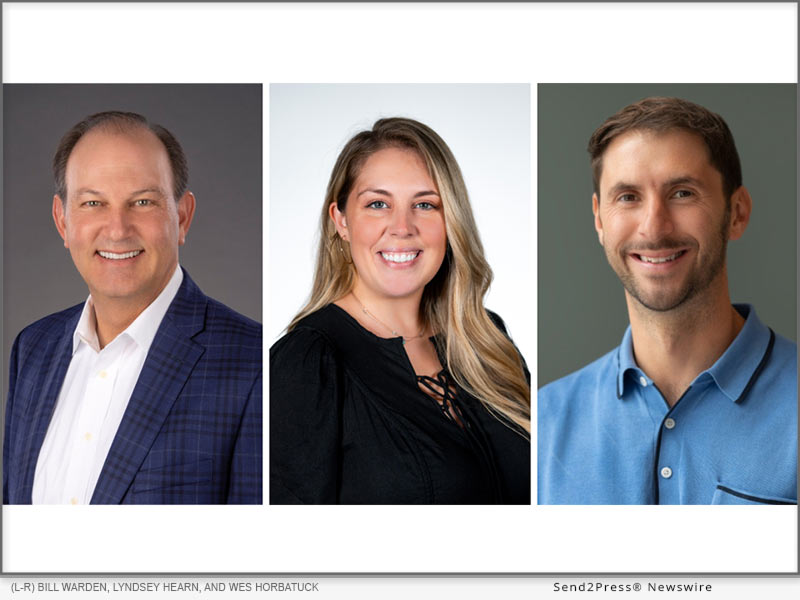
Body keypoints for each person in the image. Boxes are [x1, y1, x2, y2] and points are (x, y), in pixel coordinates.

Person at [538, 97, 797, 505]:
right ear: (599, 220)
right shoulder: (542, 425)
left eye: (682, 193)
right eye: (627, 197)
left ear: (737, 212)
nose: (654, 227)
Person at [3, 111, 262, 505]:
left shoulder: (254, 364)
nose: (118, 228)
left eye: (142, 202)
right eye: (93, 203)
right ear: (63, 221)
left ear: (182, 216)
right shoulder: (32, 348)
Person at [270, 117, 530, 504]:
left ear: (451, 221)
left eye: (425, 204)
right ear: (341, 221)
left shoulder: (488, 338)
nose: (402, 227)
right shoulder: (309, 363)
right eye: (378, 204)